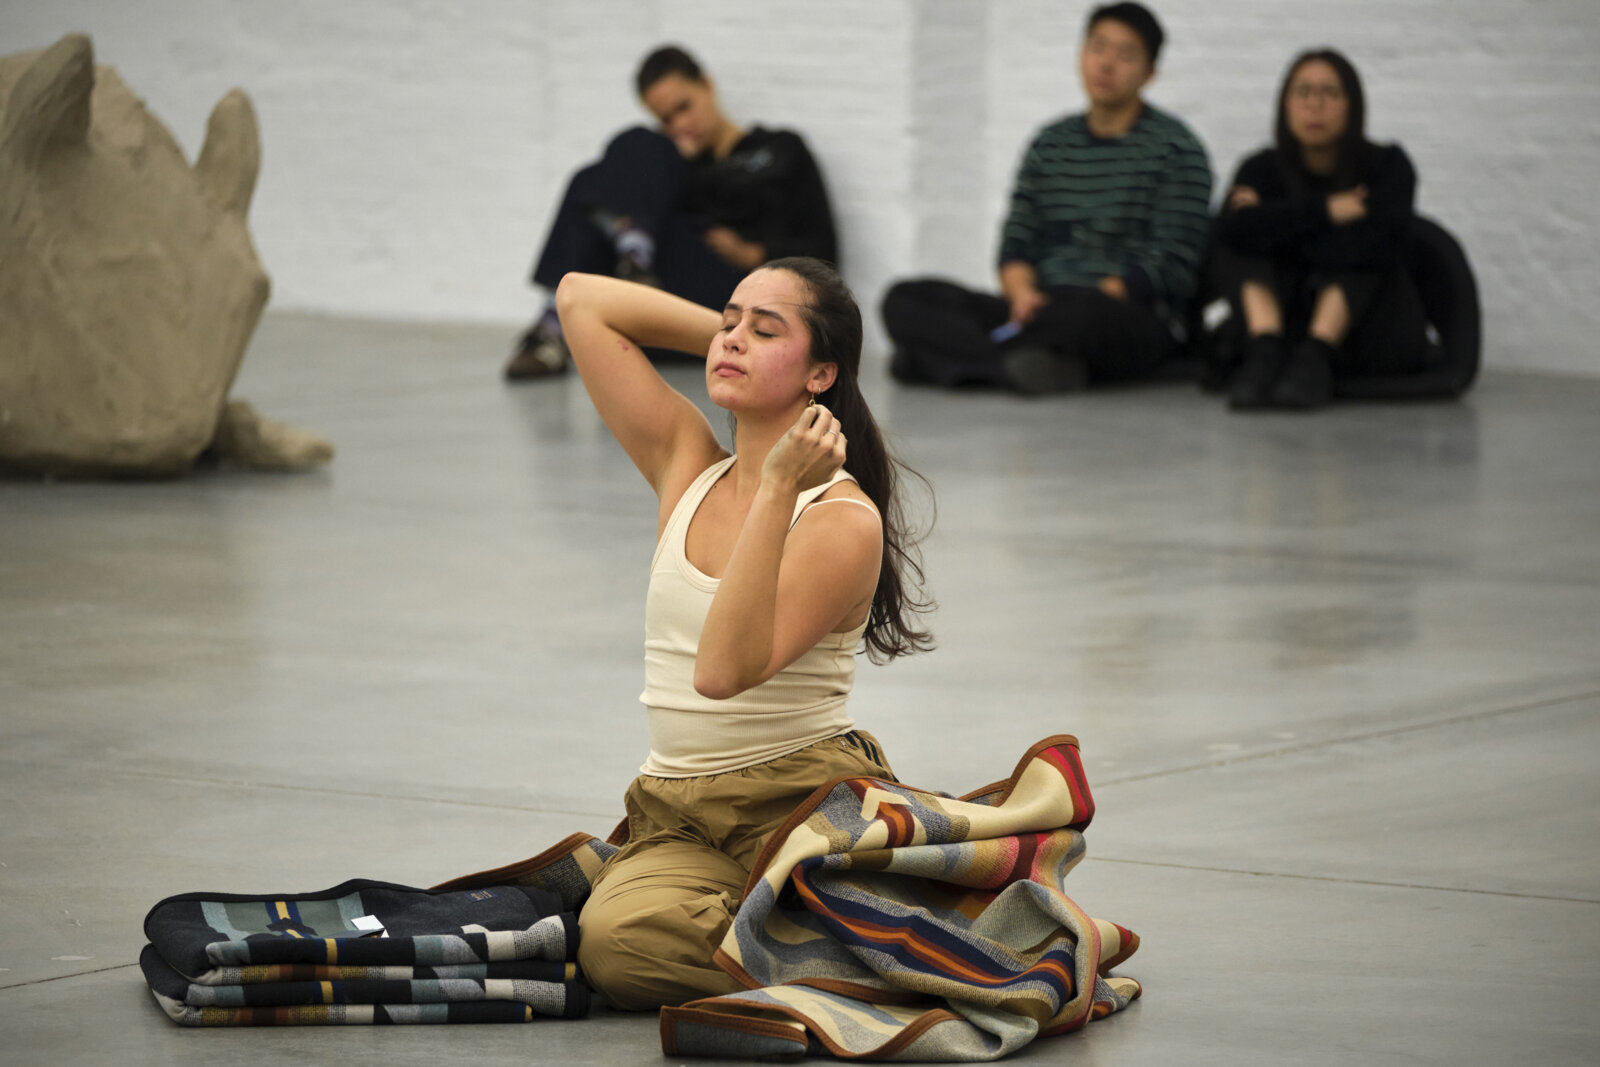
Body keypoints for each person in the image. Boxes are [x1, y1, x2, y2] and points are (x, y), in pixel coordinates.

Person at [552, 256, 934, 1009]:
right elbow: (580, 300)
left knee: (621, 946)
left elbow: (721, 669)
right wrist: (744, 340)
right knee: (617, 943)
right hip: (677, 806)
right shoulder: (685, 462)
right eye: (729, 322)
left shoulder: (840, 519)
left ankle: (880, 947)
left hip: (795, 799)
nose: (731, 341)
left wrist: (780, 485)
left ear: (821, 373)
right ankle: (839, 937)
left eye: (763, 331)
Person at [881, 2, 1212, 394]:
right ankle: (1021, 366)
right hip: (1041, 305)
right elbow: (1017, 240)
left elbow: (1172, 263)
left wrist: (1086, 300)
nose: (1106, 64)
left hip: (1124, 312)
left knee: (1082, 320)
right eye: (1097, 47)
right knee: (904, 299)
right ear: (1081, 53)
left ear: (1150, 72)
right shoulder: (1050, 143)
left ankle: (938, 360)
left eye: (1124, 55)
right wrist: (1022, 296)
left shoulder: (1177, 148)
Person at [505, 46, 838, 381]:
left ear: (706, 86)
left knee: (603, 169)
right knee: (619, 156)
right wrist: (678, 161)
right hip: (670, 297)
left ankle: (558, 323)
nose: (680, 124)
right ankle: (633, 261)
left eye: (684, 107)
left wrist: (751, 252)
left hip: (742, 301)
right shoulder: (675, 168)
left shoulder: (780, 149)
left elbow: (824, 256)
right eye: (667, 120)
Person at [1214, 49, 1427, 411]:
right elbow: (1229, 233)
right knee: (1243, 247)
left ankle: (1317, 352)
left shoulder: (1387, 165)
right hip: (1285, 329)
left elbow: (1381, 243)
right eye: (1303, 93)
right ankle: (1264, 352)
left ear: (1352, 104)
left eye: (1330, 93)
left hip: (1365, 333)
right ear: (1285, 105)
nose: (1315, 105)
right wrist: (1328, 210)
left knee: (1357, 252)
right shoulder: (1260, 168)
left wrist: (1277, 226)